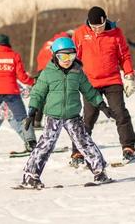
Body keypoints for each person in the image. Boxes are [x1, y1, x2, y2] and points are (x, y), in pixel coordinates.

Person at [21, 37, 113, 188]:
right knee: (46, 144)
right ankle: (30, 176)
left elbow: (89, 91)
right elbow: (37, 93)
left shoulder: (77, 72)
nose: (67, 60)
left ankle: (100, 172)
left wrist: (102, 105)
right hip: (53, 116)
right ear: (54, 56)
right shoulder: (47, 73)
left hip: (73, 116)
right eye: (63, 56)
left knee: (84, 141)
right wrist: (32, 111)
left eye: (71, 56)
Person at [72, 6, 135, 166]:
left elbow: (124, 56)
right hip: (90, 83)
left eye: (100, 26)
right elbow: (74, 58)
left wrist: (129, 74)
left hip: (112, 80)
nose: (98, 30)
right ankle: (78, 151)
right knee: (88, 118)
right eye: (94, 27)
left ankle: (128, 147)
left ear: (105, 20)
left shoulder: (116, 33)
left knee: (120, 113)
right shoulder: (80, 34)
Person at [0, 34, 36, 153]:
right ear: (8, 44)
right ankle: (31, 143)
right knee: (22, 118)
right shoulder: (14, 56)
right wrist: (33, 82)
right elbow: (22, 76)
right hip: (11, 91)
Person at [34, 30, 73, 128]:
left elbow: (39, 56)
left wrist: (39, 70)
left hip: (41, 70)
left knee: (41, 96)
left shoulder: (48, 42)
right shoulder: (65, 42)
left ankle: (36, 120)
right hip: (53, 70)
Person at [0, 83, 30, 151]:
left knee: (19, 129)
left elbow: (25, 94)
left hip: (11, 113)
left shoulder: (13, 83)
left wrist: (30, 88)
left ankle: (29, 144)